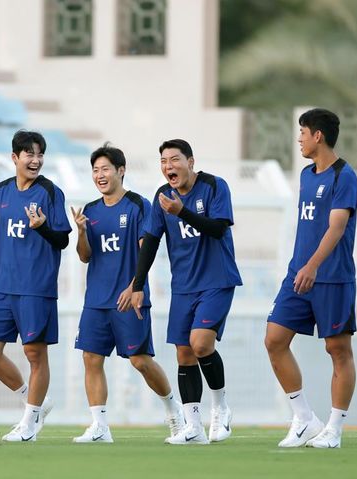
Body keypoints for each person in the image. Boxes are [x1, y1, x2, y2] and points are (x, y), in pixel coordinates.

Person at [0, 130, 71, 442]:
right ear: (15, 158)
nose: (35, 160)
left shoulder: (50, 192)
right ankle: (34, 401)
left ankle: (29, 426)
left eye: (39, 155)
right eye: (29, 154)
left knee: (35, 354)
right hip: (3, 287)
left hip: (36, 287)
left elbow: (62, 239)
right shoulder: (1, 192)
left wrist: (43, 226)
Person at [70, 143, 185, 443]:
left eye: (105, 169)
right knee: (91, 359)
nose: (100, 175)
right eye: (95, 170)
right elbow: (85, 256)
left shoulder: (137, 205)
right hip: (96, 300)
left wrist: (135, 286)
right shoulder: (91, 211)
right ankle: (100, 427)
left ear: (121, 171)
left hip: (129, 299)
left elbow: (144, 250)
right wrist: (81, 232)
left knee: (140, 361)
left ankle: (174, 411)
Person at [130, 139, 242, 445]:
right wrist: (137, 284)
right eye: (164, 161)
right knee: (184, 353)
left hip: (217, 280)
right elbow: (151, 241)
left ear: (190, 162)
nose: (168, 166)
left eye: (174, 160)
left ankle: (220, 407)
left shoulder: (214, 186)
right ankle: (193, 428)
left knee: (201, 344)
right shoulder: (162, 196)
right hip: (183, 286)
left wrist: (183, 212)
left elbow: (219, 228)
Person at [264, 108, 357, 449]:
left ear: (318, 135)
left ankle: (333, 428)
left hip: (331, 278)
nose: (299, 138)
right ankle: (304, 418)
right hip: (298, 274)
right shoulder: (306, 175)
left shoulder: (344, 176)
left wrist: (314, 265)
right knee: (274, 339)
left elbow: (336, 227)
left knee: (338, 349)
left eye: (303, 132)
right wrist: (301, 267)